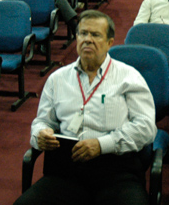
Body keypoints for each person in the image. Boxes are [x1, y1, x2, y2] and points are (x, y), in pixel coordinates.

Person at [14, 10, 157, 205]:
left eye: (95, 35)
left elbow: (146, 128)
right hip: (67, 171)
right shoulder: (58, 79)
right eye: (83, 33)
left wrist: (101, 145)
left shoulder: (129, 77)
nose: (87, 40)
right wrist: (40, 134)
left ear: (110, 42)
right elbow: (42, 121)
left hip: (116, 171)